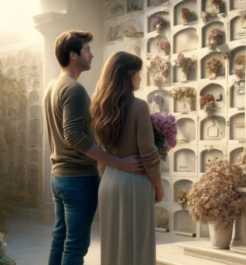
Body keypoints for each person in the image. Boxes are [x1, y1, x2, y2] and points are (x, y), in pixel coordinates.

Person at [44, 30, 143, 265]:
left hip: (58, 177)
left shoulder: (53, 85)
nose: (92, 55)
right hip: (78, 179)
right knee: (76, 245)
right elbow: (74, 136)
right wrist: (117, 161)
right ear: (72, 55)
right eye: (86, 50)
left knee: (60, 238)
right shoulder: (74, 89)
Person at [90, 51, 164, 265]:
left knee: (113, 248)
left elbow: (99, 148)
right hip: (135, 183)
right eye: (137, 74)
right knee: (138, 249)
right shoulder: (138, 106)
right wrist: (158, 187)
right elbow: (149, 152)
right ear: (126, 75)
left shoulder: (99, 107)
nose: (140, 78)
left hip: (109, 182)